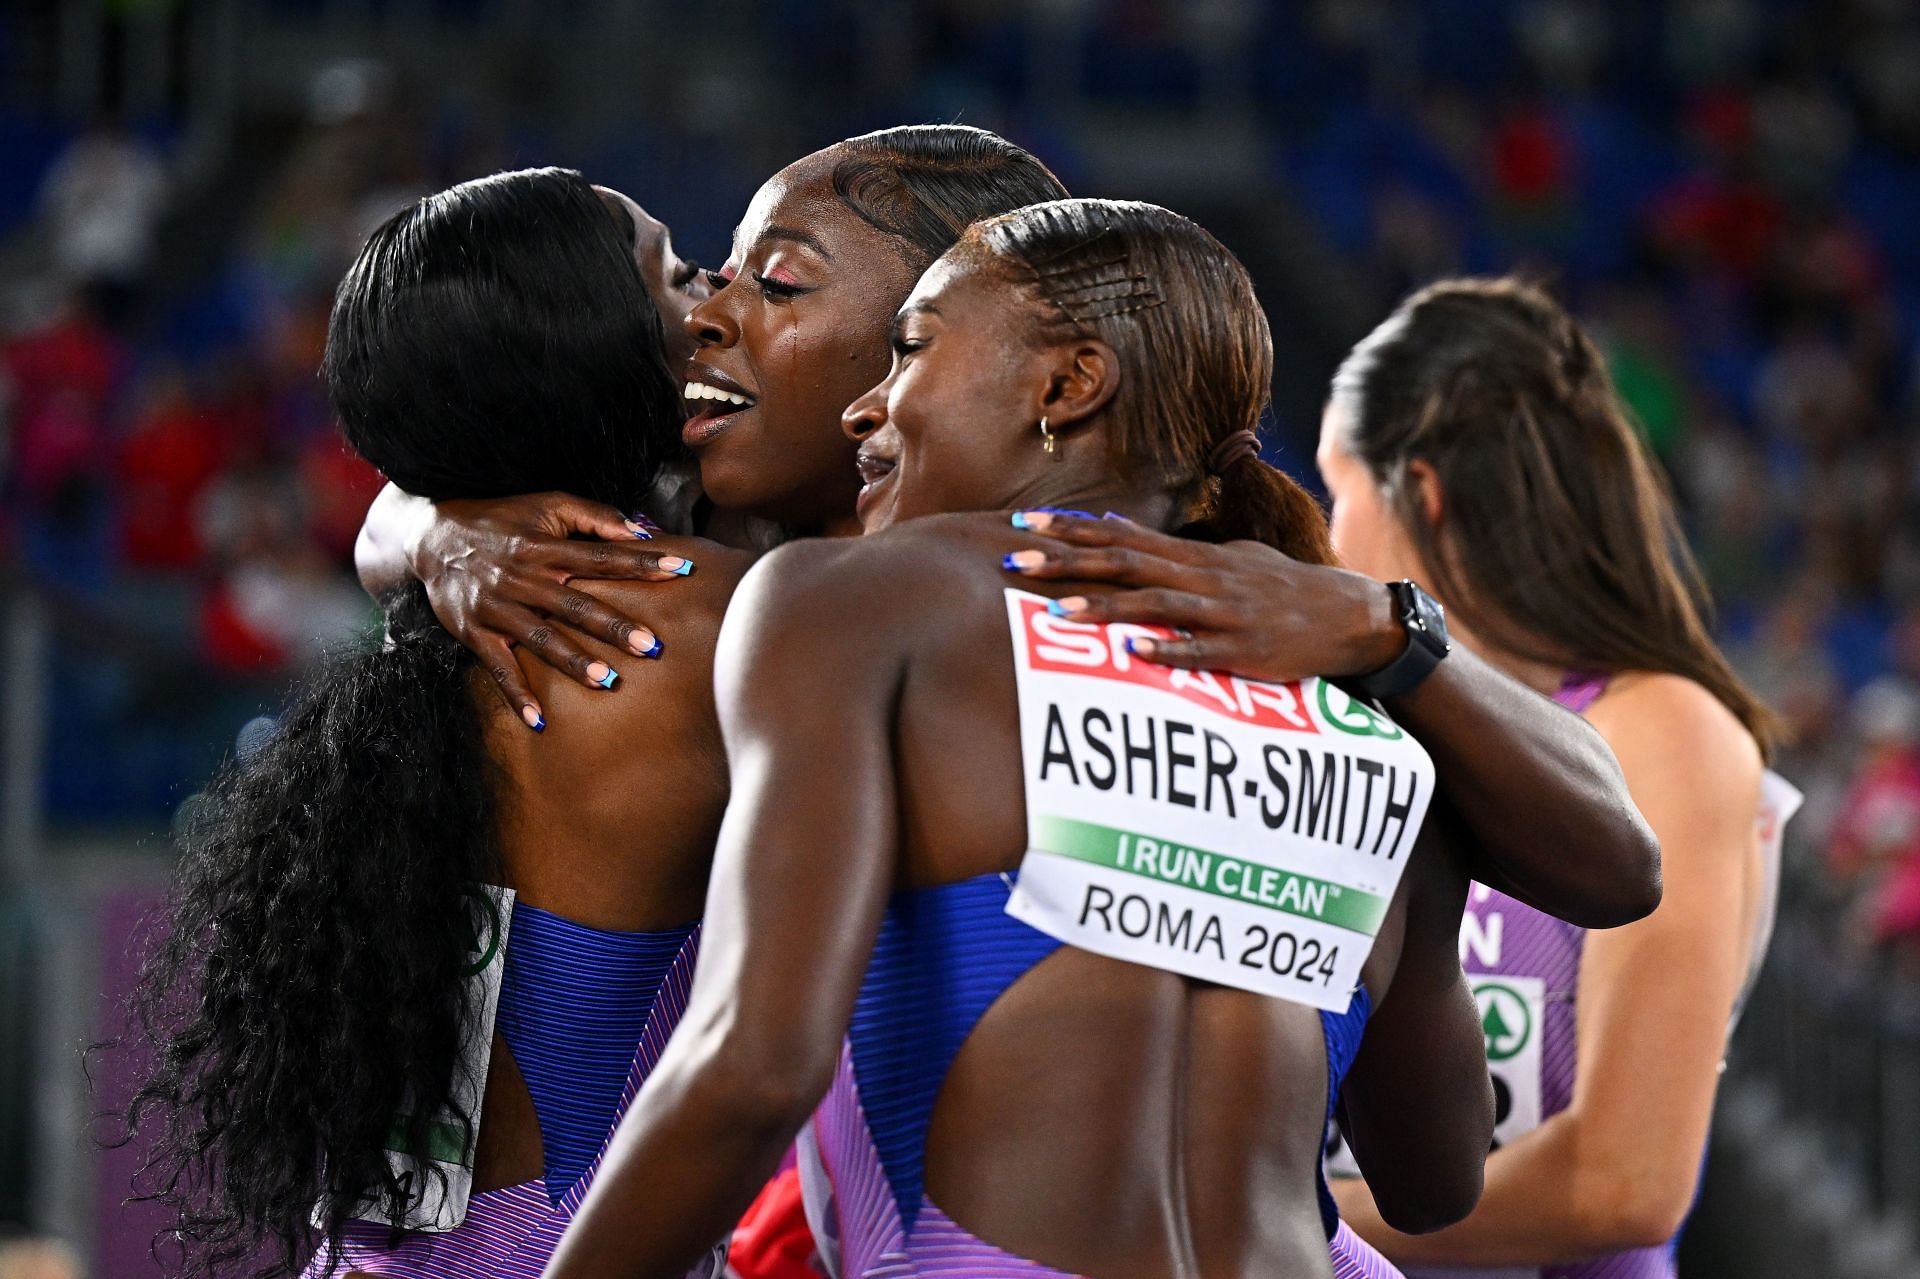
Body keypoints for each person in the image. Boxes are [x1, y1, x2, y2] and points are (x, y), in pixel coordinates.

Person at [353, 128, 1660, 930]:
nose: (707, 316)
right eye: (714, 274)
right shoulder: (706, 549)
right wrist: (432, 532)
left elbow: (1613, 863)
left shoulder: (1146, 616)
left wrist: (1394, 631)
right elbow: (437, 452)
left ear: (968, 335)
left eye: (777, 283)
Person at [538, 198, 1494, 1279]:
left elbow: (755, 1066)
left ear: (1066, 387)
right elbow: (1435, 1181)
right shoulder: (1368, 708)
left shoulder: (861, 603)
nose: (865, 407)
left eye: (910, 348)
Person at [119, 168, 753, 1279]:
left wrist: (426, 526)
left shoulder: (446, 601)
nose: (714, 305)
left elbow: (391, 503)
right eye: (677, 274)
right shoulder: (718, 621)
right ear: (597, 347)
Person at [1306, 278, 1780, 1276]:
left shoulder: (1662, 729)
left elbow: (1625, 1181)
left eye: (1336, 491)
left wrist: (1266, 1208)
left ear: (1419, 493)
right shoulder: (1351, 722)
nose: (1324, 537)